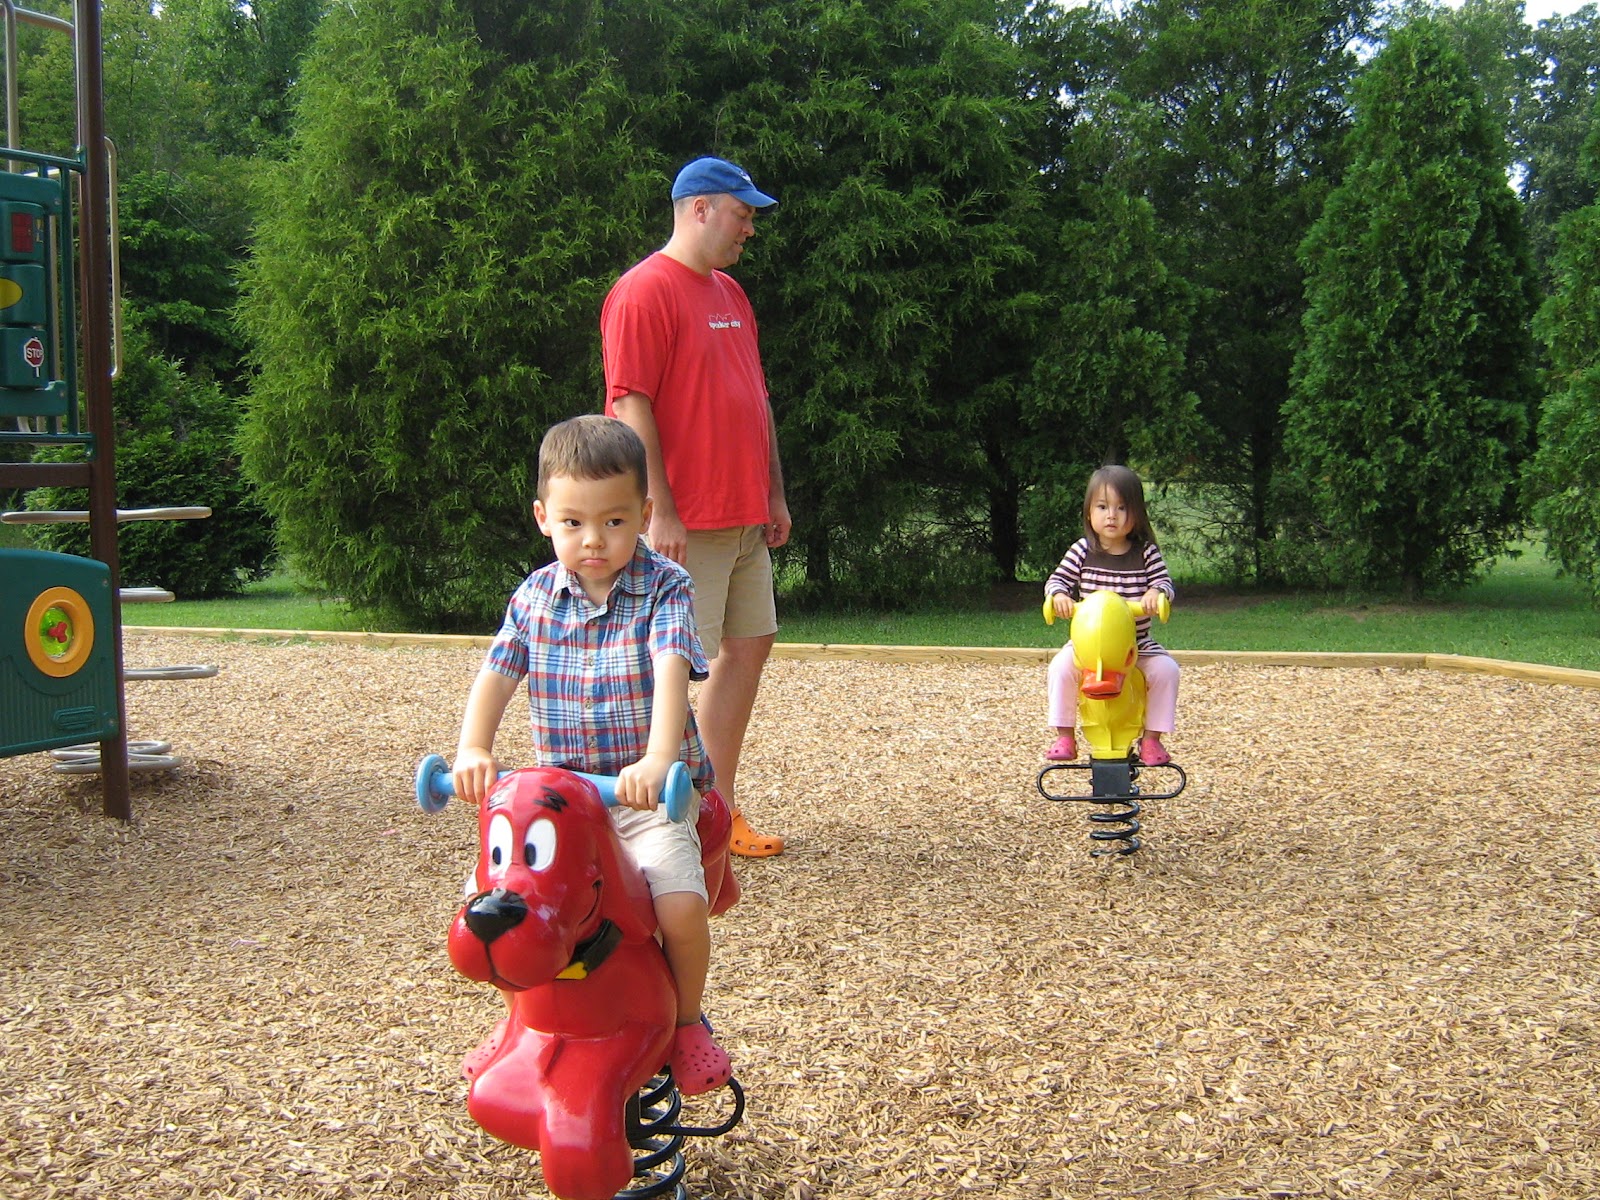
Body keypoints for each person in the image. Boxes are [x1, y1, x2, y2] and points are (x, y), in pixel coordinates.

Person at [451, 415, 730, 1096]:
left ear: (644, 514)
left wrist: (659, 759)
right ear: (544, 518)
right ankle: (521, 1016)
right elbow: (498, 673)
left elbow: (671, 668)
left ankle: (688, 1019)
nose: (593, 540)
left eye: (613, 522)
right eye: (574, 523)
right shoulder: (534, 598)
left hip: (646, 795)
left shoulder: (666, 587)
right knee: (493, 908)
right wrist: (473, 747)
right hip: (564, 802)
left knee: (680, 907)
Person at [601, 155, 791, 858]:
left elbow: (757, 398)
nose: (749, 228)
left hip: (742, 512)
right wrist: (660, 510)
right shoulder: (643, 292)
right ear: (700, 208)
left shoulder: (733, 296)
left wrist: (771, 491)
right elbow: (629, 404)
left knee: (750, 643)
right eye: (742, 214)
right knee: (672, 668)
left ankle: (715, 810)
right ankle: (651, 820)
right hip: (688, 520)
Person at [1043, 464, 1180, 765]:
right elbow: (1056, 580)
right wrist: (1060, 596)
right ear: (1089, 512)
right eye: (1103, 507)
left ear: (1137, 514)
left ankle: (1151, 739)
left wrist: (1156, 594)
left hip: (1136, 645)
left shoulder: (1145, 553)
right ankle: (1064, 734)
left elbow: (1164, 583)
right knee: (1060, 668)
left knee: (1167, 672)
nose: (1111, 516)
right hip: (1089, 649)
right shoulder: (1082, 551)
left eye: (1122, 508)